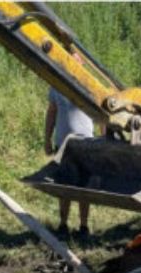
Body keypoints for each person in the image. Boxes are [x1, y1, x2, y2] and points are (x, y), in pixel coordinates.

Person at [45, 56, 95, 239]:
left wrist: (104, 138)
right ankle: (63, 225)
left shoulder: (89, 85)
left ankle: (83, 226)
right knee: (64, 186)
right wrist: (47, 139)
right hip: (63, 143)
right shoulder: (56, 84)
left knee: (84, 187)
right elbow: (51, 112)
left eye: (76, 64)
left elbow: (102, 114)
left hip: (86, 143)